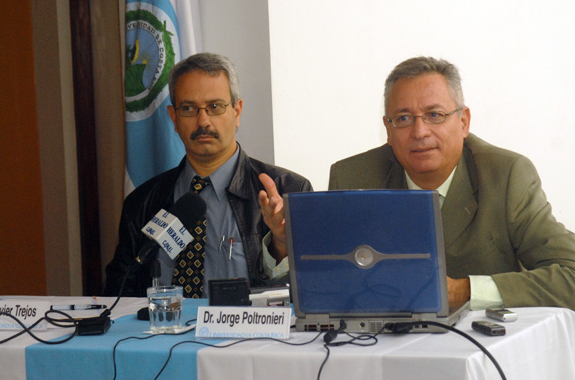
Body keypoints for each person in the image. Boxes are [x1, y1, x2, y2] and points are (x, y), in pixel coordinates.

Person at [329, 56, 575, 310]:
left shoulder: (505, 176)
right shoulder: (351, 178)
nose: (420, 132)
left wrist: (467, 290)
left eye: (434, 115)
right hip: (375, 345)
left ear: (463, 122)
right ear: (388, 130)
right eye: (403, 118)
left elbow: (572, 276)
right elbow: (324, 280)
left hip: (483, 345)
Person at [104, 52, 312, 298]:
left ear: (237, 112)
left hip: (252, 336)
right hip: (165, 335)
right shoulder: (142, 203)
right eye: (189, 108)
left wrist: (280, 243)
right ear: (174, 117)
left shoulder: (290, 192)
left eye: (214, 107)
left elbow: (315, 291)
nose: (203, 121)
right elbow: (119, 295)